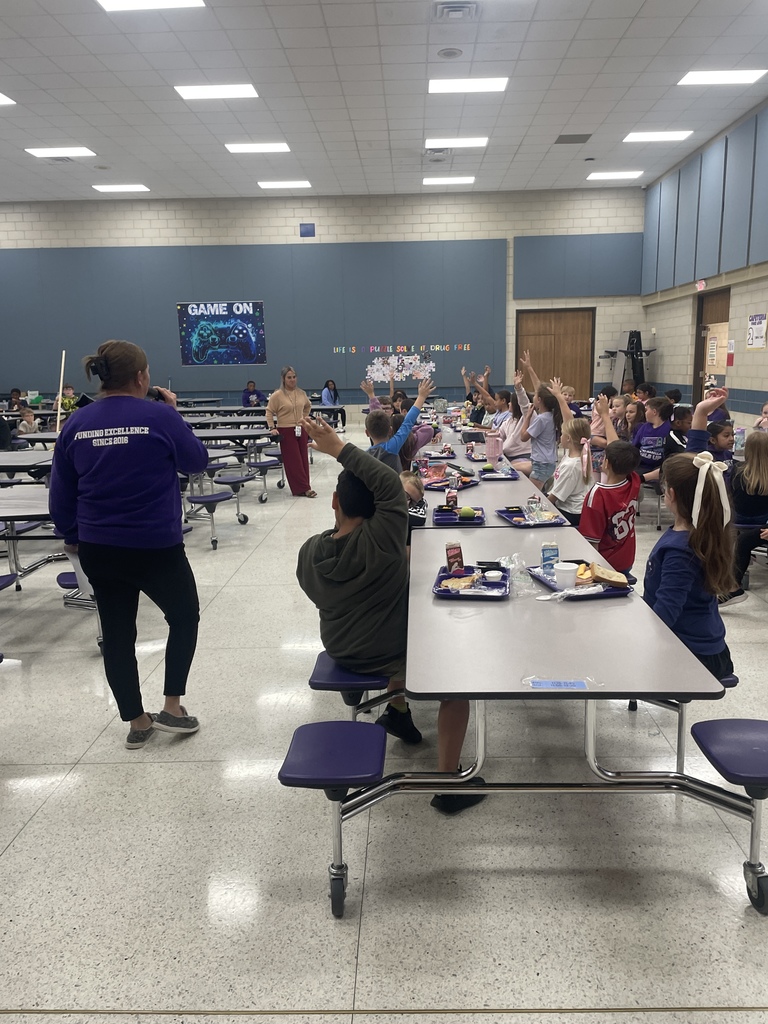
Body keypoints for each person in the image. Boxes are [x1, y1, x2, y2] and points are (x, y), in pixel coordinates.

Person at [296, 415, 485, 815]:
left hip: (340, 647)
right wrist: (338, 449)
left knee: (398, 618)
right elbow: (387, 485)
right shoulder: (385, 538)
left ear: (335, 502)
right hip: (386, 651)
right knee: (457, 681)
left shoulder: (310, 552)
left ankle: (398, 712)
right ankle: (448, 785)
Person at [48, 340, 209, 750]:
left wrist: (72, 536)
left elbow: (61, 495)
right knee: (184, 616)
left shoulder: (76, 424)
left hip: (100, 547)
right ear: (141, 377)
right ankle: (172, 705)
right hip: (157, 545)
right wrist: (173, 413)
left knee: (118, 635)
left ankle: (137, 722)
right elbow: (196, 461)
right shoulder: (159, 416)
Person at [643, 452, 734, 681]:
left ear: (670, 494)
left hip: (691, 655)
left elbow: (666, 613)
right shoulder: (703, 533)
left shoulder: (680, 551)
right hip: (708, 647)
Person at [579, 395, 642, 577]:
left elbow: (592, 542)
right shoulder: (633, 481)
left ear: (605, 463)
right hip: (626, 559)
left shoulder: (597, 494)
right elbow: (618, 450)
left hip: (605, 565)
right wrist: (605, 416)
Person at [719, 430, 768, 606]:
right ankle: (732, 585)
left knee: (743, 541)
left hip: (739, 521)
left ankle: (733, 586)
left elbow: (731, 497)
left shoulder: (737, 470)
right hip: (763, 524)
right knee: (745, 540)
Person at [365, 378, 434, 471]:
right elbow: (408, 422)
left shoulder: (364, 457)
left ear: (367, 433)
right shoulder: (391, 447)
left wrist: (371, 395)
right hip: (396, 485)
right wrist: (421, 397)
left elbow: (376, 417)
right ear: (390, 430)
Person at [266, 366, 315, 497]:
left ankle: (306, 485)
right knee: (294, 461)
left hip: (300, 429)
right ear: (283, 379)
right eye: (289, 377)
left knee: (303, 458)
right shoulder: (277, 395)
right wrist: (272, 427)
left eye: (294, 377)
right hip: (285, 431)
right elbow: (269, 411)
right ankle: (304, 488)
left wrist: (304, 418)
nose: (292, 380)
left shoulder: (301, 393)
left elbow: (308, 405)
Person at [547, 418, 592, 525]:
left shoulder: (571, 465)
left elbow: (556, 497)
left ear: (568, 439)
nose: (560, 437)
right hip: (571, 507)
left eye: (562, 434)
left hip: (572, 512)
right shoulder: (572, 456)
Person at [520, 384, 562, 490]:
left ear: (539, 400)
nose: (533, 398)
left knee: (531, 494)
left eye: (535, 396)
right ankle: (546, 482)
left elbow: (523, 437)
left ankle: (545, 483)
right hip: (547, 462)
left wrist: (528, 417)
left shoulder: (541, 419)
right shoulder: (552, 416)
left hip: (541, 464)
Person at [633, 397, 673, 485]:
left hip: (659, 467)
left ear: (654, 412)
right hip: (641, 465)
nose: (645, 413)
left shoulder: (669, 429)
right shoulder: (644, 427)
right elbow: (635, 447)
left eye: (647, 410)